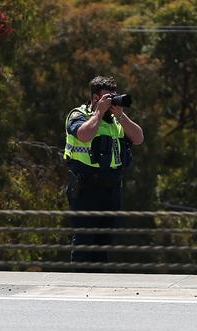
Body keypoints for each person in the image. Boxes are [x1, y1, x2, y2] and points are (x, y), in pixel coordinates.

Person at [64, 76, 144, 263]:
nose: (111, 102)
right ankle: (80, 286)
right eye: (107, 97)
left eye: (113, 97)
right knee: (84, 241)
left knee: (104, 243)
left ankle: (97, 285)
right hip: (86, 189)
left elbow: (139, 138)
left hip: (111, 189)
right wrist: (98, 113)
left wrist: (121, 115)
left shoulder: (116, 121)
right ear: (94, 98)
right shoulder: (79, 115)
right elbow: (83, 135)